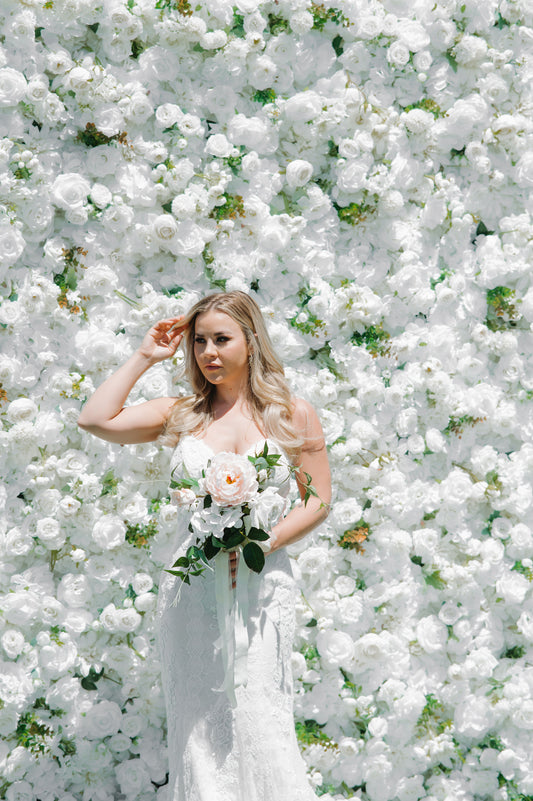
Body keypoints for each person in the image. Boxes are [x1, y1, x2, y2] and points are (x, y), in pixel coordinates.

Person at [77, 290, 331, 801]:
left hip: (261, 592)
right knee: (198, 731)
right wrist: (146, 355)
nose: (208, 352)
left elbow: (318, 499)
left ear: (251, 340)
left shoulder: (290, 414)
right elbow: (95, 419)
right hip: (190, 592)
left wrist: (263, 541)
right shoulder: (183, 414)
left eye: (222, 339)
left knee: (261, 719)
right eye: (199, 342)